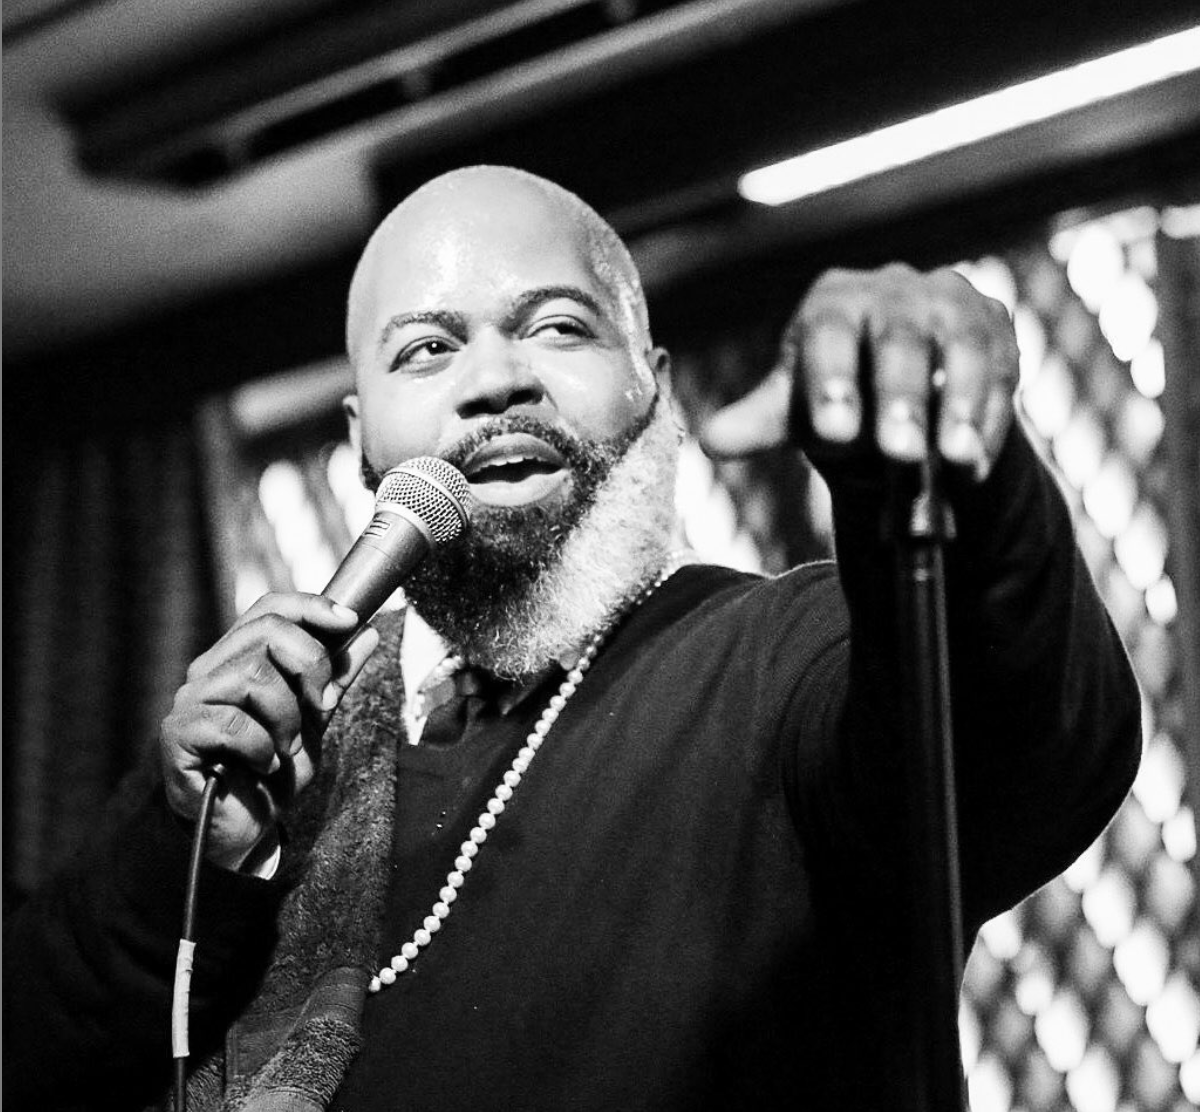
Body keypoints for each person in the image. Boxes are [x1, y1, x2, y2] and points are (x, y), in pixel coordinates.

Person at [4, 166, 1140, 1110]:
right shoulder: (283, 756)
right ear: (361, 439)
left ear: (650, 385)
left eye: (557, 326)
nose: (496, 379)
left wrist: (963, 494)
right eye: (424, 351)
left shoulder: (778, 657)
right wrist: (177, 847)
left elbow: (1023, 738)